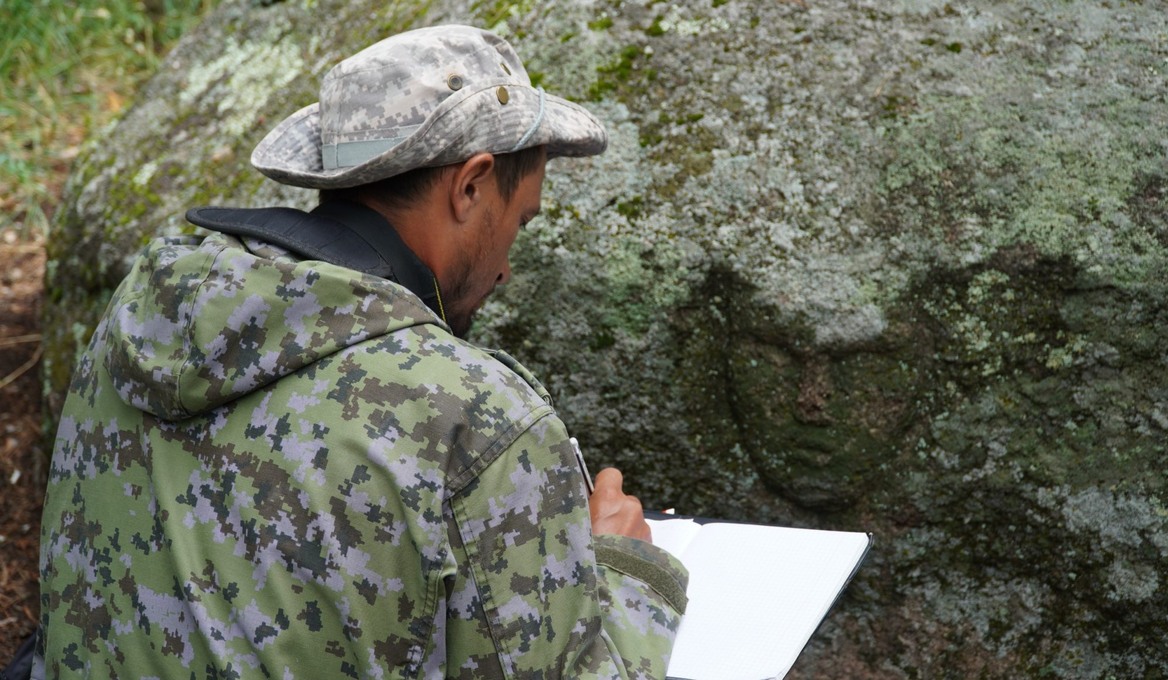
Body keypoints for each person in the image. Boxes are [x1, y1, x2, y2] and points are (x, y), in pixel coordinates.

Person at [34, 24, 688, 679]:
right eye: (520, 222)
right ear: (471, 186)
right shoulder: (479, 422)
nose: (506, 269)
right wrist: (624, 570)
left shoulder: (140, 316)